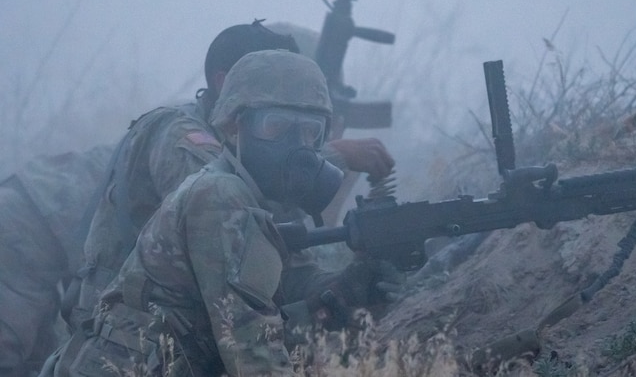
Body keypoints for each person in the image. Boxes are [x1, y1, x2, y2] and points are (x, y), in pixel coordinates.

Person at [43, 49, 403, 377]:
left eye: (311, 131)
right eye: (275, 126)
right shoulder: (220, 195)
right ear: (234, 126)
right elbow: (253, 354)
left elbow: (283, 286)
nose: (296, 146)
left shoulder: (248, 198)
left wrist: (345, 285)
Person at [0, 146, 112, 377]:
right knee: (8, 345)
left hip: (31, 223)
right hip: (25, 228)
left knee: (40, 354)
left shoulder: (135, 148)